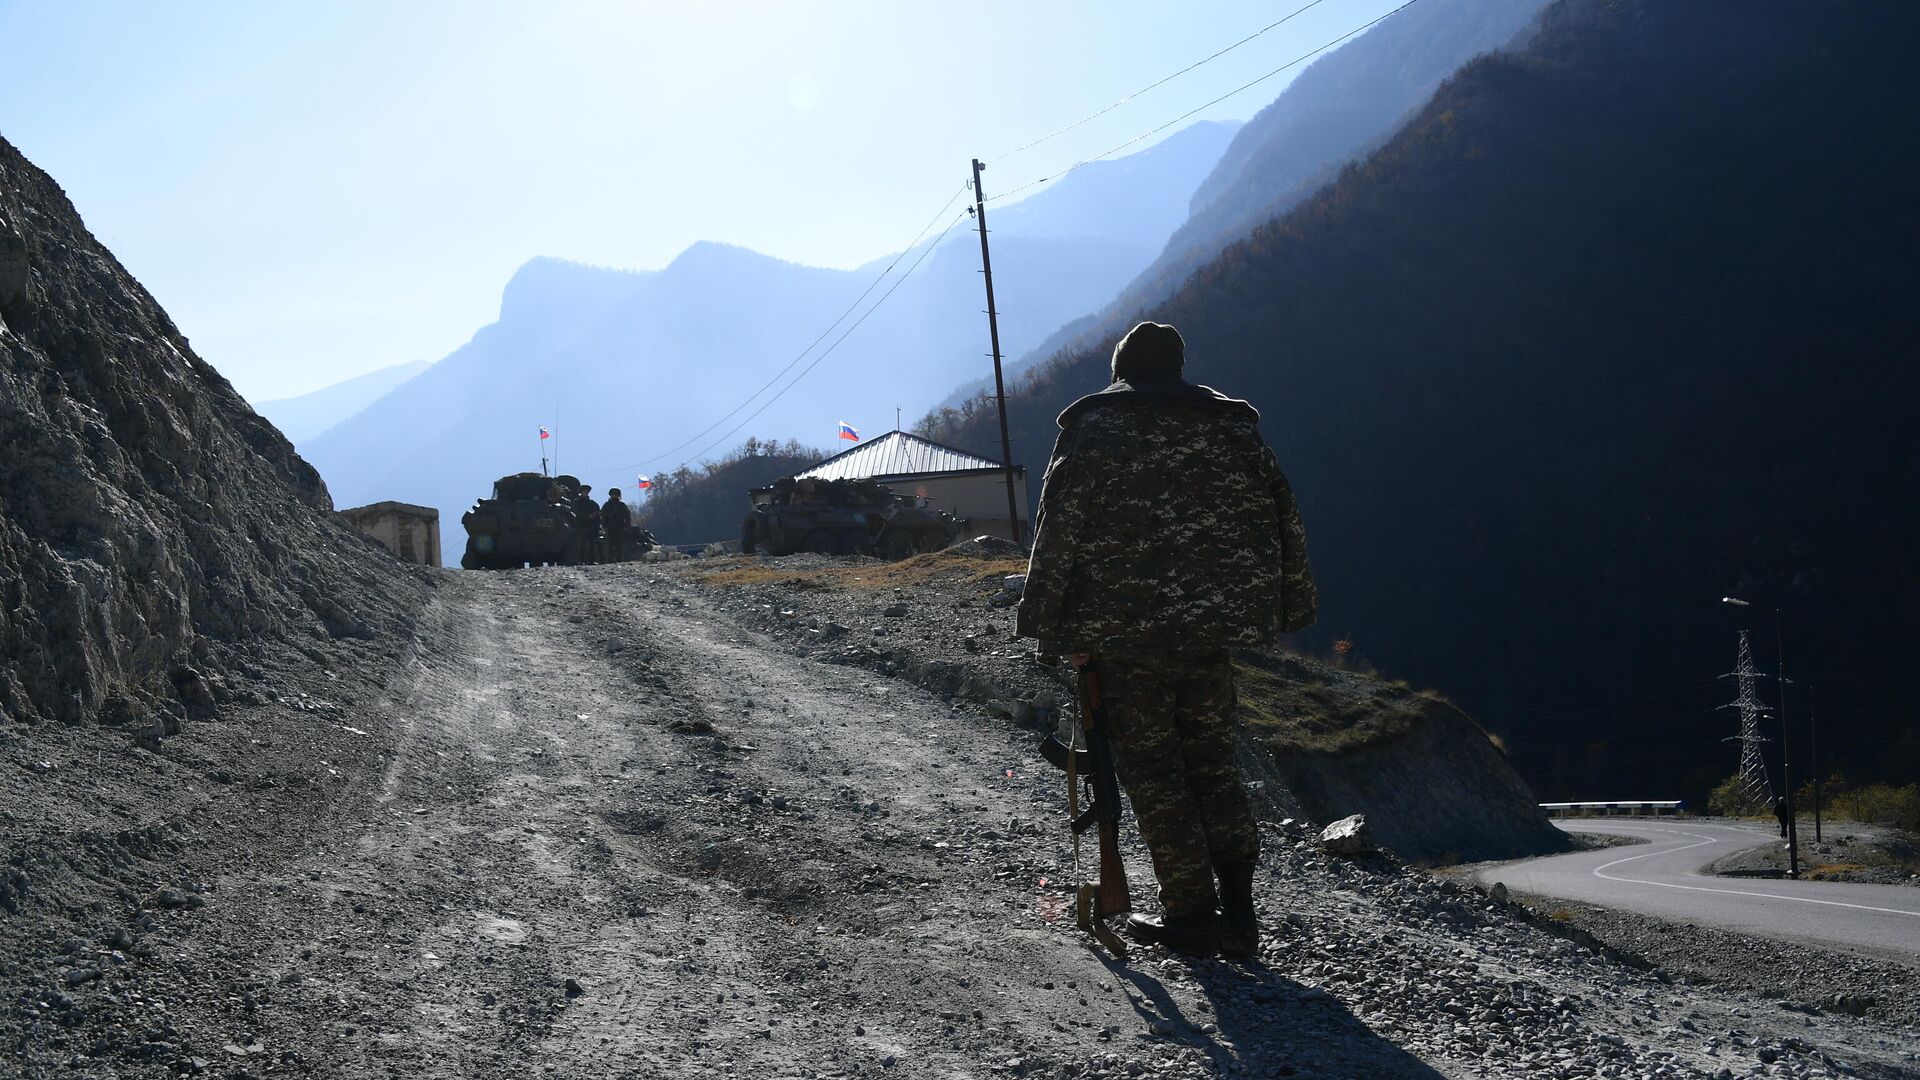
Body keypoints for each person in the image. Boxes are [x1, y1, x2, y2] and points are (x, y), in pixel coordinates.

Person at [1016, 321, 1316, 959]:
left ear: (1121, 371)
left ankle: (1189, 914)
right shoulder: (1234, 429)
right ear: (1178, 369)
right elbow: (1283, 513)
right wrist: (1289, 608)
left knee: (1155, 773)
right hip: (1213, 631)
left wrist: (1046, 627)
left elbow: (1059, 529)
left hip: (1125, 636)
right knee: (1213, 763)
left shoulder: (1095, 430)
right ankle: (1239, 911)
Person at [571, 483, 601, 565]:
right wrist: (587, 516)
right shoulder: (577, 502)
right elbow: (575, 512)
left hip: (590, 527)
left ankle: (591, 561)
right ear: (581, 492)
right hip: (580, 526)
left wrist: (594, 515)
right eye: (584, 491)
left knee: (592, 545)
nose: (586, 493)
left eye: (587, 492)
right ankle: (581, 561)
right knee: (582, 545)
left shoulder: (592, 503)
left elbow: (597, 511)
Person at [601, 488, 633, 563]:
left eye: (616, 495)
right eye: (613, 495)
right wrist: (605, 526)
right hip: (610, 528)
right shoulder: (607, 505)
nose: (614, 496)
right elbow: (603, 516)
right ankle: (610, 560)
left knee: (619, 545)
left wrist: (626, 526)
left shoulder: (622, 505)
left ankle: (619, 559)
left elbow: (627, 516)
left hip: (620, 528)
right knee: (610, 545)